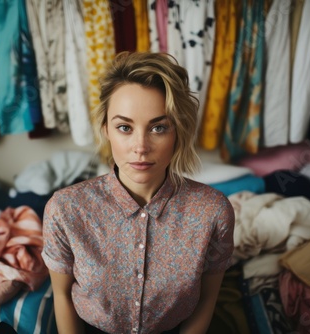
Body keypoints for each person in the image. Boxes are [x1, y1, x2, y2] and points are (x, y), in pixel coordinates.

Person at [42, 51, 235, 334]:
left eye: (158, 127)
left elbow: (207, 298)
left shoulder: (213, 211)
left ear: (178, 131)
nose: (141, 146)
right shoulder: (65, 208)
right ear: (106, 129)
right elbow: (61, 295)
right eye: (124, 127)